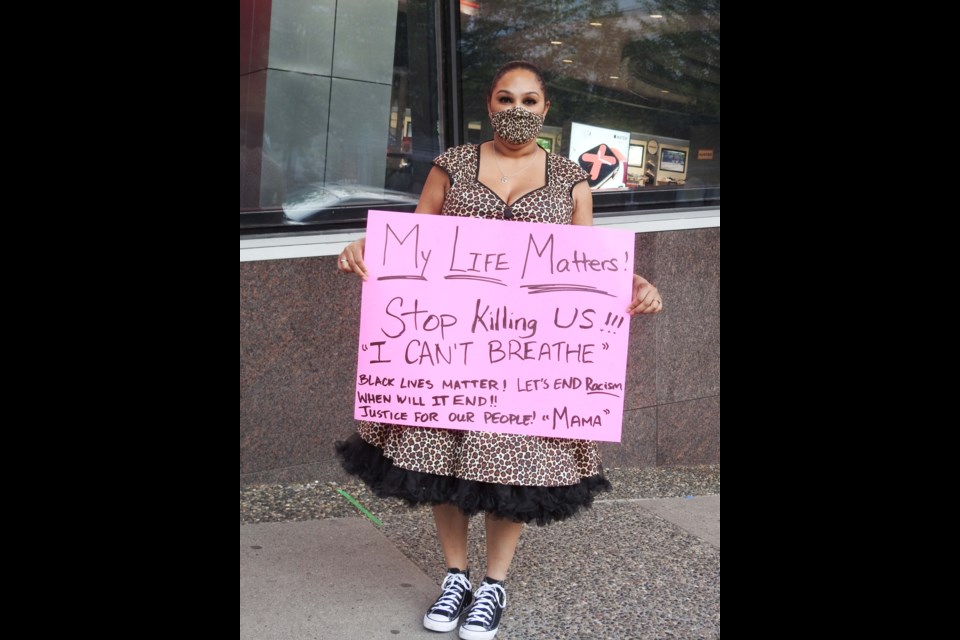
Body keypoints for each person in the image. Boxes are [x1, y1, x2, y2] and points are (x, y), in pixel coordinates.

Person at [336, 60, 662, 640]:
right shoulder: (452, 166)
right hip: (449, 350)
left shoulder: (570, 181)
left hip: (525, 361)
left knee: (515, 468)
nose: (517, 110)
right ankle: (455, 576)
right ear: (489, 104)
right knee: (442, 458)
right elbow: (417, 240)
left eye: (529, 100)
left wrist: (632, 283)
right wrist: (367, 248)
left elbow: (581, 265)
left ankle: (494, 584)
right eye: (506, 98)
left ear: (546, 110)